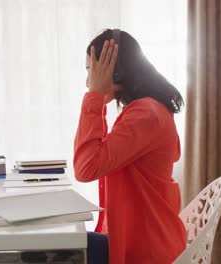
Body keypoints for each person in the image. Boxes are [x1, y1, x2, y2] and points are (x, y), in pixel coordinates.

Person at [73, 29, 187, 264]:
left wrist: (94, 96)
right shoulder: (144, 110)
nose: (88, 81)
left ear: (114, 69)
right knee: (62, 244)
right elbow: (97, 156)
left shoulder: (145, 114)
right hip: (138, 239)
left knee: (56, 250)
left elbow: (86, 168)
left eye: (90, 70)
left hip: (145, 251)